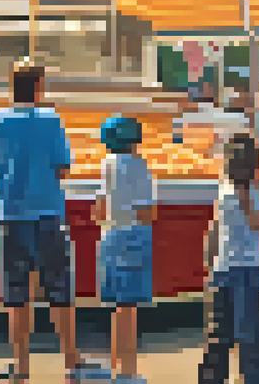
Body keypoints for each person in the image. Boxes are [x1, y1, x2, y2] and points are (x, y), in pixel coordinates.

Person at [0, 59, 86, 381]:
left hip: (13, 213)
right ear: (39, 87)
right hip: (49, 213)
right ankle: (71, 359)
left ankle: (21, 364)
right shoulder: (51, 121)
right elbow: (64, 168)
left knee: (17, 293)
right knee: (59, 288)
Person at [200, 132, 259, 384]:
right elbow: (216, 224)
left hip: (243, 267)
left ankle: (251, 378)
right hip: (230, 268)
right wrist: (210, 258)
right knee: (226, 332)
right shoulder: (225, 189)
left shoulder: (253, 192)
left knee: (243, 332)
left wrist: (246, 199)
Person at [96, 114, 156, 384]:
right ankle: (128, 372)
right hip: (133, 236)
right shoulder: (139, 167)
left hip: (109, 236)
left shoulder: (105, 165)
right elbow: (146, 211)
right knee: (130, 308)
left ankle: (113, 364)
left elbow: (98, 209)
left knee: (117, 306)